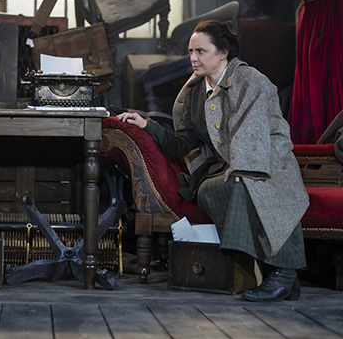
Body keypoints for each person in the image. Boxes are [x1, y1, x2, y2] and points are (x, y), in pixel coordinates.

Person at [118, 20, 309, 302]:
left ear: (223, 53)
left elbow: (254, 128)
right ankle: (270, 272)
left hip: (269, 162)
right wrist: (147, 125)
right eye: (191, 51)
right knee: (211, 189)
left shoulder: (249, 80)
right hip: (228, 167)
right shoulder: (194, 91)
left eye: (201, 51)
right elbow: (184, 141)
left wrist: (244, 165)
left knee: (247, 187)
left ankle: (284, 274)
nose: (193, 58)